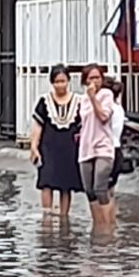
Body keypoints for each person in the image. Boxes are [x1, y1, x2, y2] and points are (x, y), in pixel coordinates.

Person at [29, 64, 83, 217]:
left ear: (69, 81)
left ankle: (64, 217)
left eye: (63, 81)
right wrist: (34, 147)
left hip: (70, 147)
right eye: (57, 82)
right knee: (47, 181)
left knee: (66, 184)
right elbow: (38, 126)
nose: (60, 85)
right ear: (52, 83)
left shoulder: (78, 101)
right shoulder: (44, 102)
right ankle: (47, 216)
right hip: (48, 146)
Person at [78, 63, 116, 227]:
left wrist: (94, 97)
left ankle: (108, 226)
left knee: (100, 187)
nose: (95, 81)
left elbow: (103, 117)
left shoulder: (106, 95)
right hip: (86, 147)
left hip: (103, 147)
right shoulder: (82, 99)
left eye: (98, 78)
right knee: (89, 190)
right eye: (91, 78)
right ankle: (98, 224)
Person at [105, 77, 126, 222]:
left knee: (103, 193)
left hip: (106, 152)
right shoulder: (119, 108)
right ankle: (110, 226)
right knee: (110, 192)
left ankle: (105, 225)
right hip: (116, 150)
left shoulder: (109, 109)